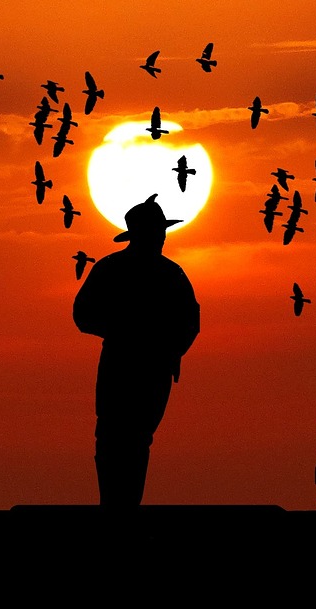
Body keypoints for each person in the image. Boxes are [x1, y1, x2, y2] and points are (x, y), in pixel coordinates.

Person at [73, 194, 200, 508]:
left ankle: (122, 507)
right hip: (129, 365)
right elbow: (83, 315)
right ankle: (118, 507)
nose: (162, 238)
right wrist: (135, 334)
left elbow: (189, 322)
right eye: (158, 232)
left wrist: (170, 349)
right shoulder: (167, 273)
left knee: (128, 438)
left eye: (162, 232)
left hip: (144, 366)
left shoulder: (120, 269)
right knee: (121, 438)